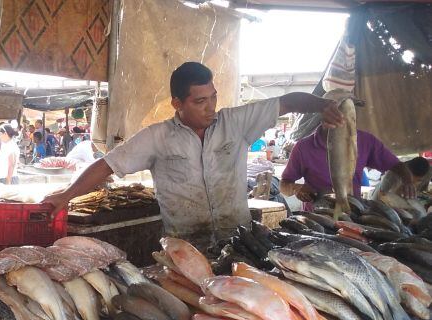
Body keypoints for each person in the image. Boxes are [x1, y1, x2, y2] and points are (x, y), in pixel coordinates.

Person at [42, 62, 345, 250]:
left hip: (242, 242)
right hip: (184, 248)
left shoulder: (235, 122)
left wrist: (321, 105)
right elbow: (106, 165)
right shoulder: (157, 137)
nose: (210, 107)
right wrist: (66, 196)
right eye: (200, 101)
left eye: (213, 97)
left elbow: (288, 101)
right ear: (177, 103)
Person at [280, 125, 415, 206]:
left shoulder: (364, 140)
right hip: (317, 215)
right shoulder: (304, 147)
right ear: (324, 115)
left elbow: (394, 164)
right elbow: (284, 185)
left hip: (352, 209)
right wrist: (296, 188)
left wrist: (408, 180)